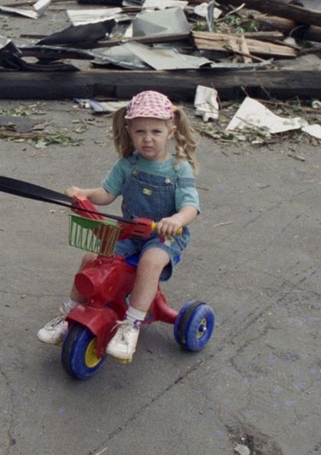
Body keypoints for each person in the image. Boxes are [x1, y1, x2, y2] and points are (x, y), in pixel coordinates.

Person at [36, 90, 201, 362]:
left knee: (149, 262)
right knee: (92, 257)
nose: (148, 138)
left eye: (156, 132)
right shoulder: (127, 165)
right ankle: (69, 313)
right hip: (130, 231)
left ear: (170, 131)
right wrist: (84, 194)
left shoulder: (178, 169)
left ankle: (131, 324)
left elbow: (190, 207)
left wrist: (176, 220)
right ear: (129, 130)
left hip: (163, 237)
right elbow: (107, 193)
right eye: (140, 132)